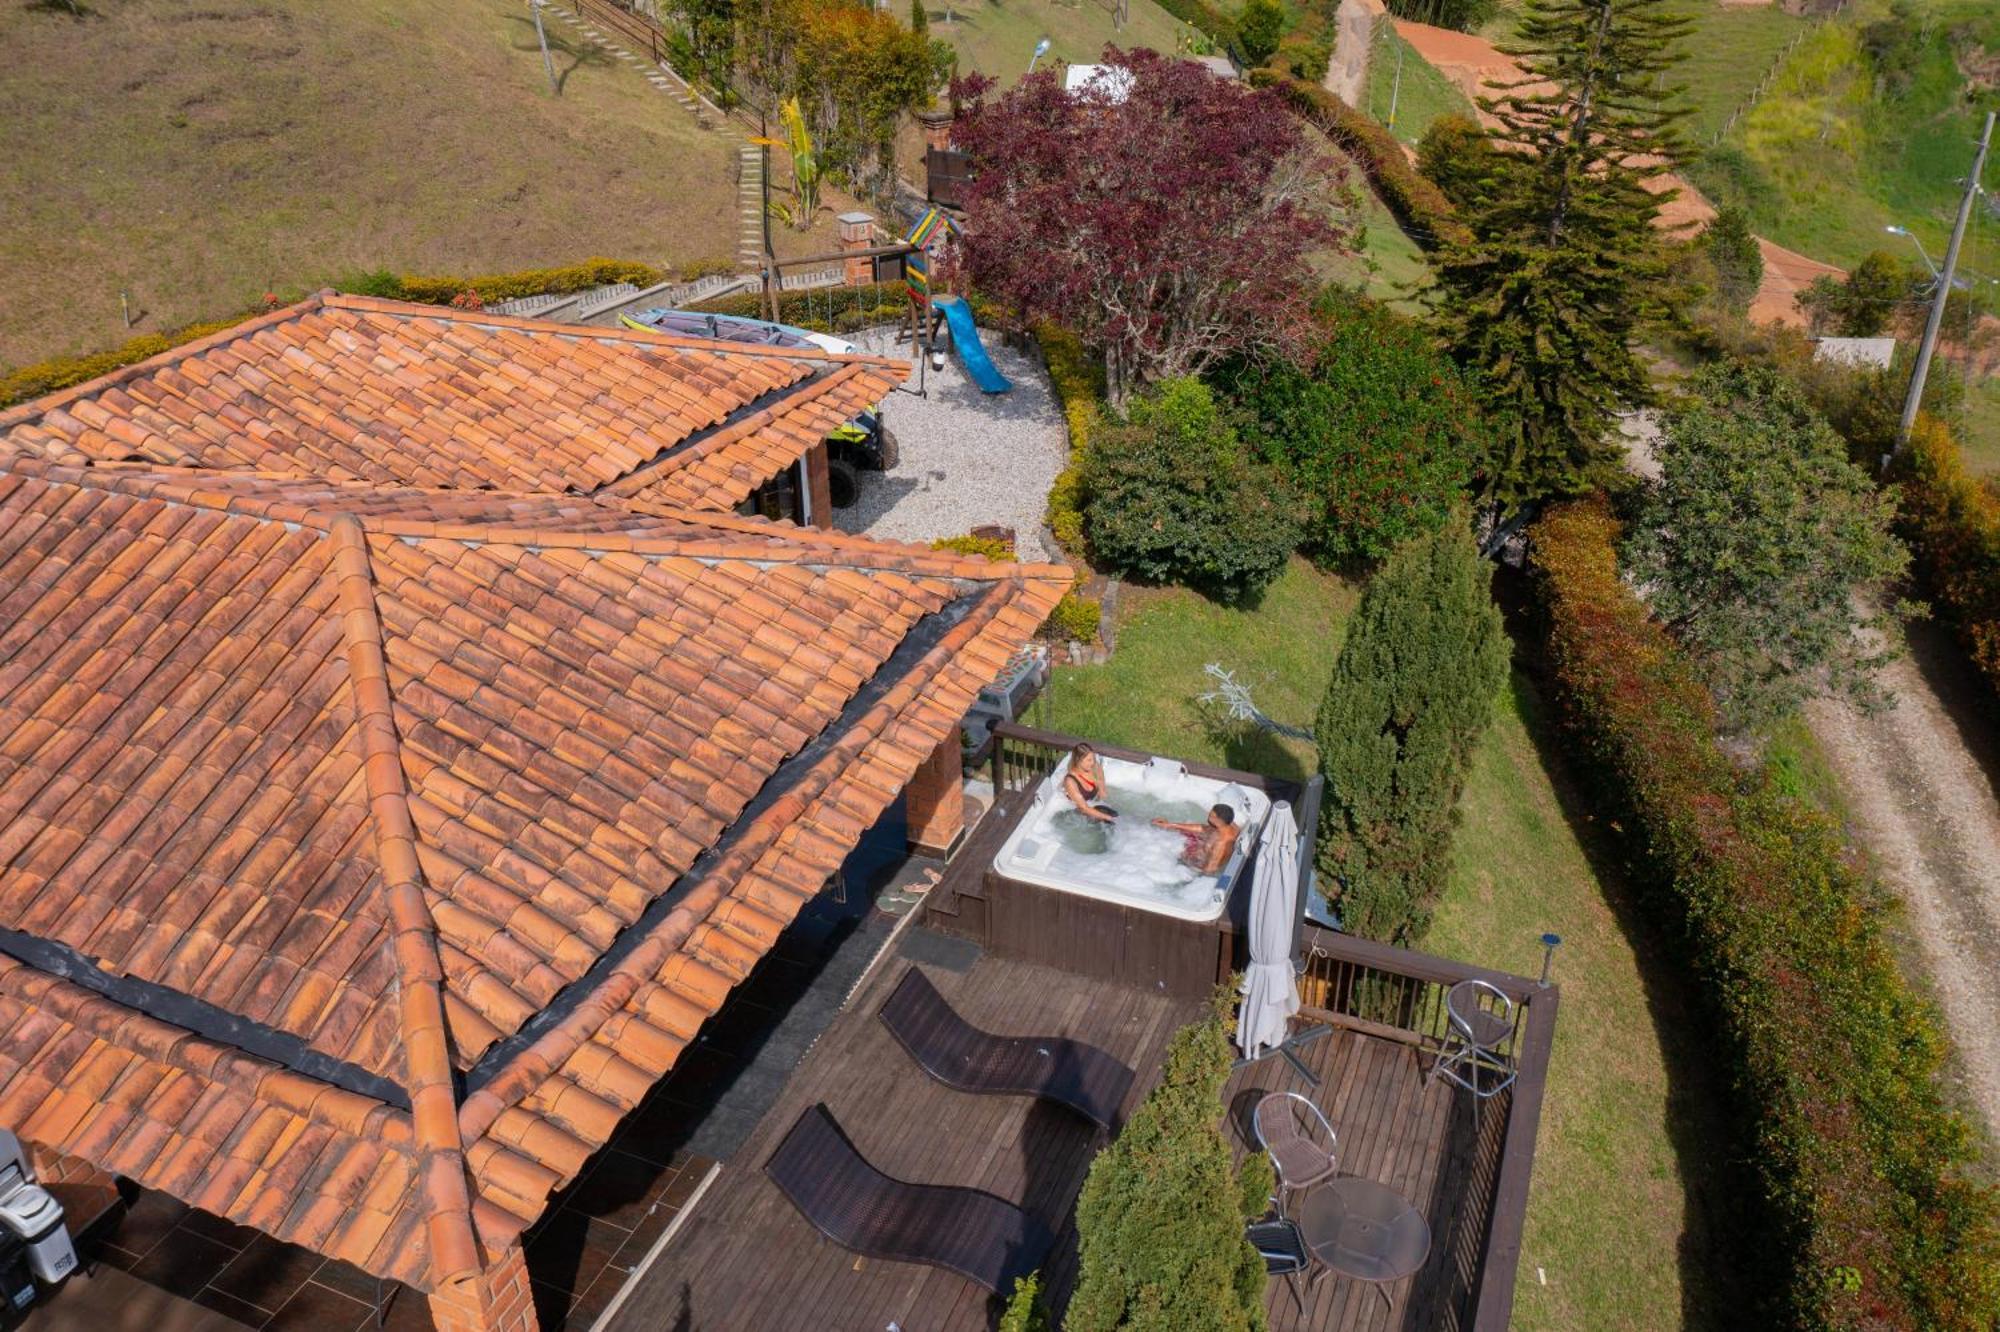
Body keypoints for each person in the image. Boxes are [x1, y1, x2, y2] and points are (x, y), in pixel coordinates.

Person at [1152, 804, 1239, 873]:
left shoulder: (1221, 844)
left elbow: (1210, 870)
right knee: (1179, 834)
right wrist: (1170, 825)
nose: (1208, 816)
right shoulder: (1228, 825)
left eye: (1211, 815)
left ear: (1219, 820)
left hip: (1198, 865)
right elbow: (1202, 828)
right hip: (1202, 849)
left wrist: (1188, 869)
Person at [1062, 742, 1117, 823]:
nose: (1092, 763)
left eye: (1093, 759)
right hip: (1076, 814)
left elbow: (1103, 792)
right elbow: (1083, 808)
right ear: (1079, 760)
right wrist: (1107, 817)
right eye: (1089, 760)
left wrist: (1103, 798)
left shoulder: (1094, 766)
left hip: (1093, 805)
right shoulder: (1070, 781)